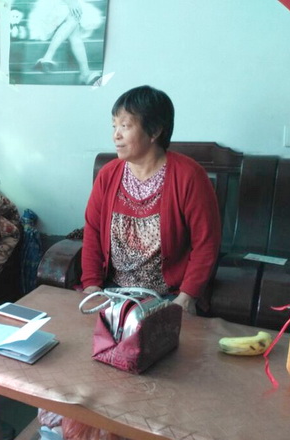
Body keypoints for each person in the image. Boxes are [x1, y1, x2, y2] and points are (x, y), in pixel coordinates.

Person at [81, 85, 221, 314]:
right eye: (114, 126)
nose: (116, 135)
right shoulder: (108, 174)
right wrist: (91, 285)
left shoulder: (189, 176)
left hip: (169, 297)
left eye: (125, 126)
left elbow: (206, 243)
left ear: (154, 131)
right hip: (113, 291)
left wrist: (187, 297)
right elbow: (93, 231)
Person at [29, 0, 104, 85]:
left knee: (74, 21)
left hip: (66, 9)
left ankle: (47, 58)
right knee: (74, 17)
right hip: (51, 7)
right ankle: (85, 73)